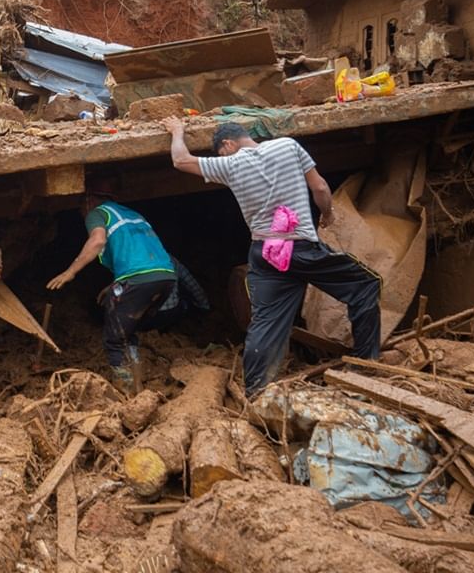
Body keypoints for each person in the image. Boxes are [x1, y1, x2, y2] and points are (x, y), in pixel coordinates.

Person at [163, 117, 382, 398]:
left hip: (266, 254)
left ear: (227, 145)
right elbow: (320, 188)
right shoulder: (288, 146)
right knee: (364, 285)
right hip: (300, 247)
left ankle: (256, 392)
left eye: (220, 152)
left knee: (265, 321)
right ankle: (365, 367)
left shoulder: (229, 164)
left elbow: (180, 160)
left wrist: (177, 131)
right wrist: (326, 214)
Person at [47, 191, 176, 391]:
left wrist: (70, 272)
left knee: (113, 340)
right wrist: (115, 285)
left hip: (138, 279)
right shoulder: (132, 213)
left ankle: (125, 389)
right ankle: (137, 382)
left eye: (80, 208)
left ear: (88, 202)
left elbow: (98, 241)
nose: (82, 215)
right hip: (165, 276)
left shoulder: (97, 212)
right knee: (128, 332)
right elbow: (138, 254)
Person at [140, 256, 211, 333]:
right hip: (170, 312)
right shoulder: (170, 259)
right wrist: (204, 305)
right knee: (184, 300)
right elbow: (192, 285)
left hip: (143, 316)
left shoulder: (135, 260)